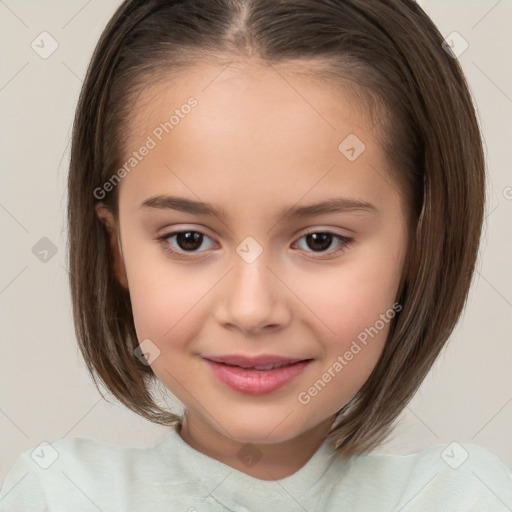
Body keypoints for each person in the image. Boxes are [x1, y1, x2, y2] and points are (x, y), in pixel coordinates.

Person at [1, 0, 511, 510]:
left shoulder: (465, 496)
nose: (250, 309)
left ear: (418, 247)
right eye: (189, 239)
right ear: (117, 250)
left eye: (320, 240)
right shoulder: (59, 495)